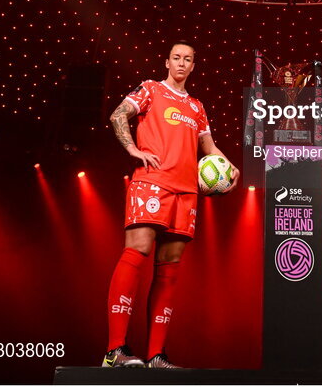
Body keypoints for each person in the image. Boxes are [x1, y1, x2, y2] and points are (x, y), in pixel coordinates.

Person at [102, 40, 240, 368]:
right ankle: (114, 351)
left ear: (193, 66)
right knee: (137, 250)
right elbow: (118, 114)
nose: (181, 63)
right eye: (176, 57)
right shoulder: (150, 89)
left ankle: (156, 356)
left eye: (187, 59)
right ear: (167, 62)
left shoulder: (196, 106)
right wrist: (132, 149)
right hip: (152, 182)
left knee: (170, 267)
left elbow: (208, 146)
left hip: (187, 191)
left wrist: (229, 165)